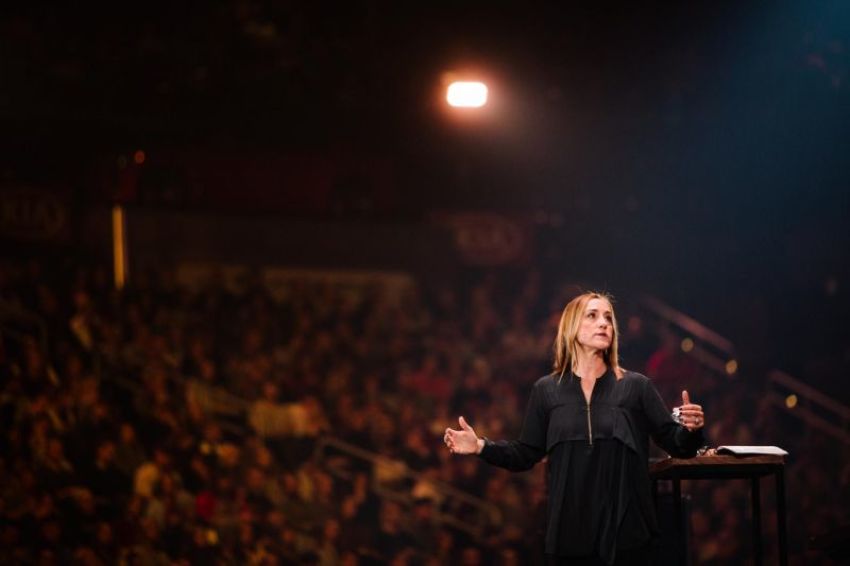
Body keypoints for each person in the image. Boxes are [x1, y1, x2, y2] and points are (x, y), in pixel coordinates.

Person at [443, 292, 706, 566]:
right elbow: (525, 453)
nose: (604, 323)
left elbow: (678, 445)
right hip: (570, 537)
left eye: (608, 318)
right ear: (571, 327)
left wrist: (691, 429)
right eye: (592, 316)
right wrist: (480, 446)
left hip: (627, 537)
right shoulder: (546, 390)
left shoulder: (636, 386)